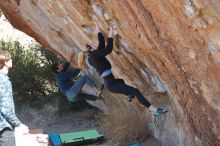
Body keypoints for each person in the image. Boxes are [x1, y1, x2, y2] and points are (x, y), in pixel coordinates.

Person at [83, 24, 168, 116]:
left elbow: (101, 45)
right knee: (135, 91)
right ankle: (153, 110)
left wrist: (99, 32)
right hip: (111, 84)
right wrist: (110, 35)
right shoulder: (93, 55)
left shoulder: (93, 56)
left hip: (111, 83)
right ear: (91, 49)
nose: (94, 44)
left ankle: (129, 95)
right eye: (92, 44)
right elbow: (107, 50)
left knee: (122, 81)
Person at [0, 51, 29, 146]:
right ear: (5, 62)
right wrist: (19, 125)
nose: (11, 60)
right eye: (9, 59)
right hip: (4, 129)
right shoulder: (4, 80)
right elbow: (6, 109)